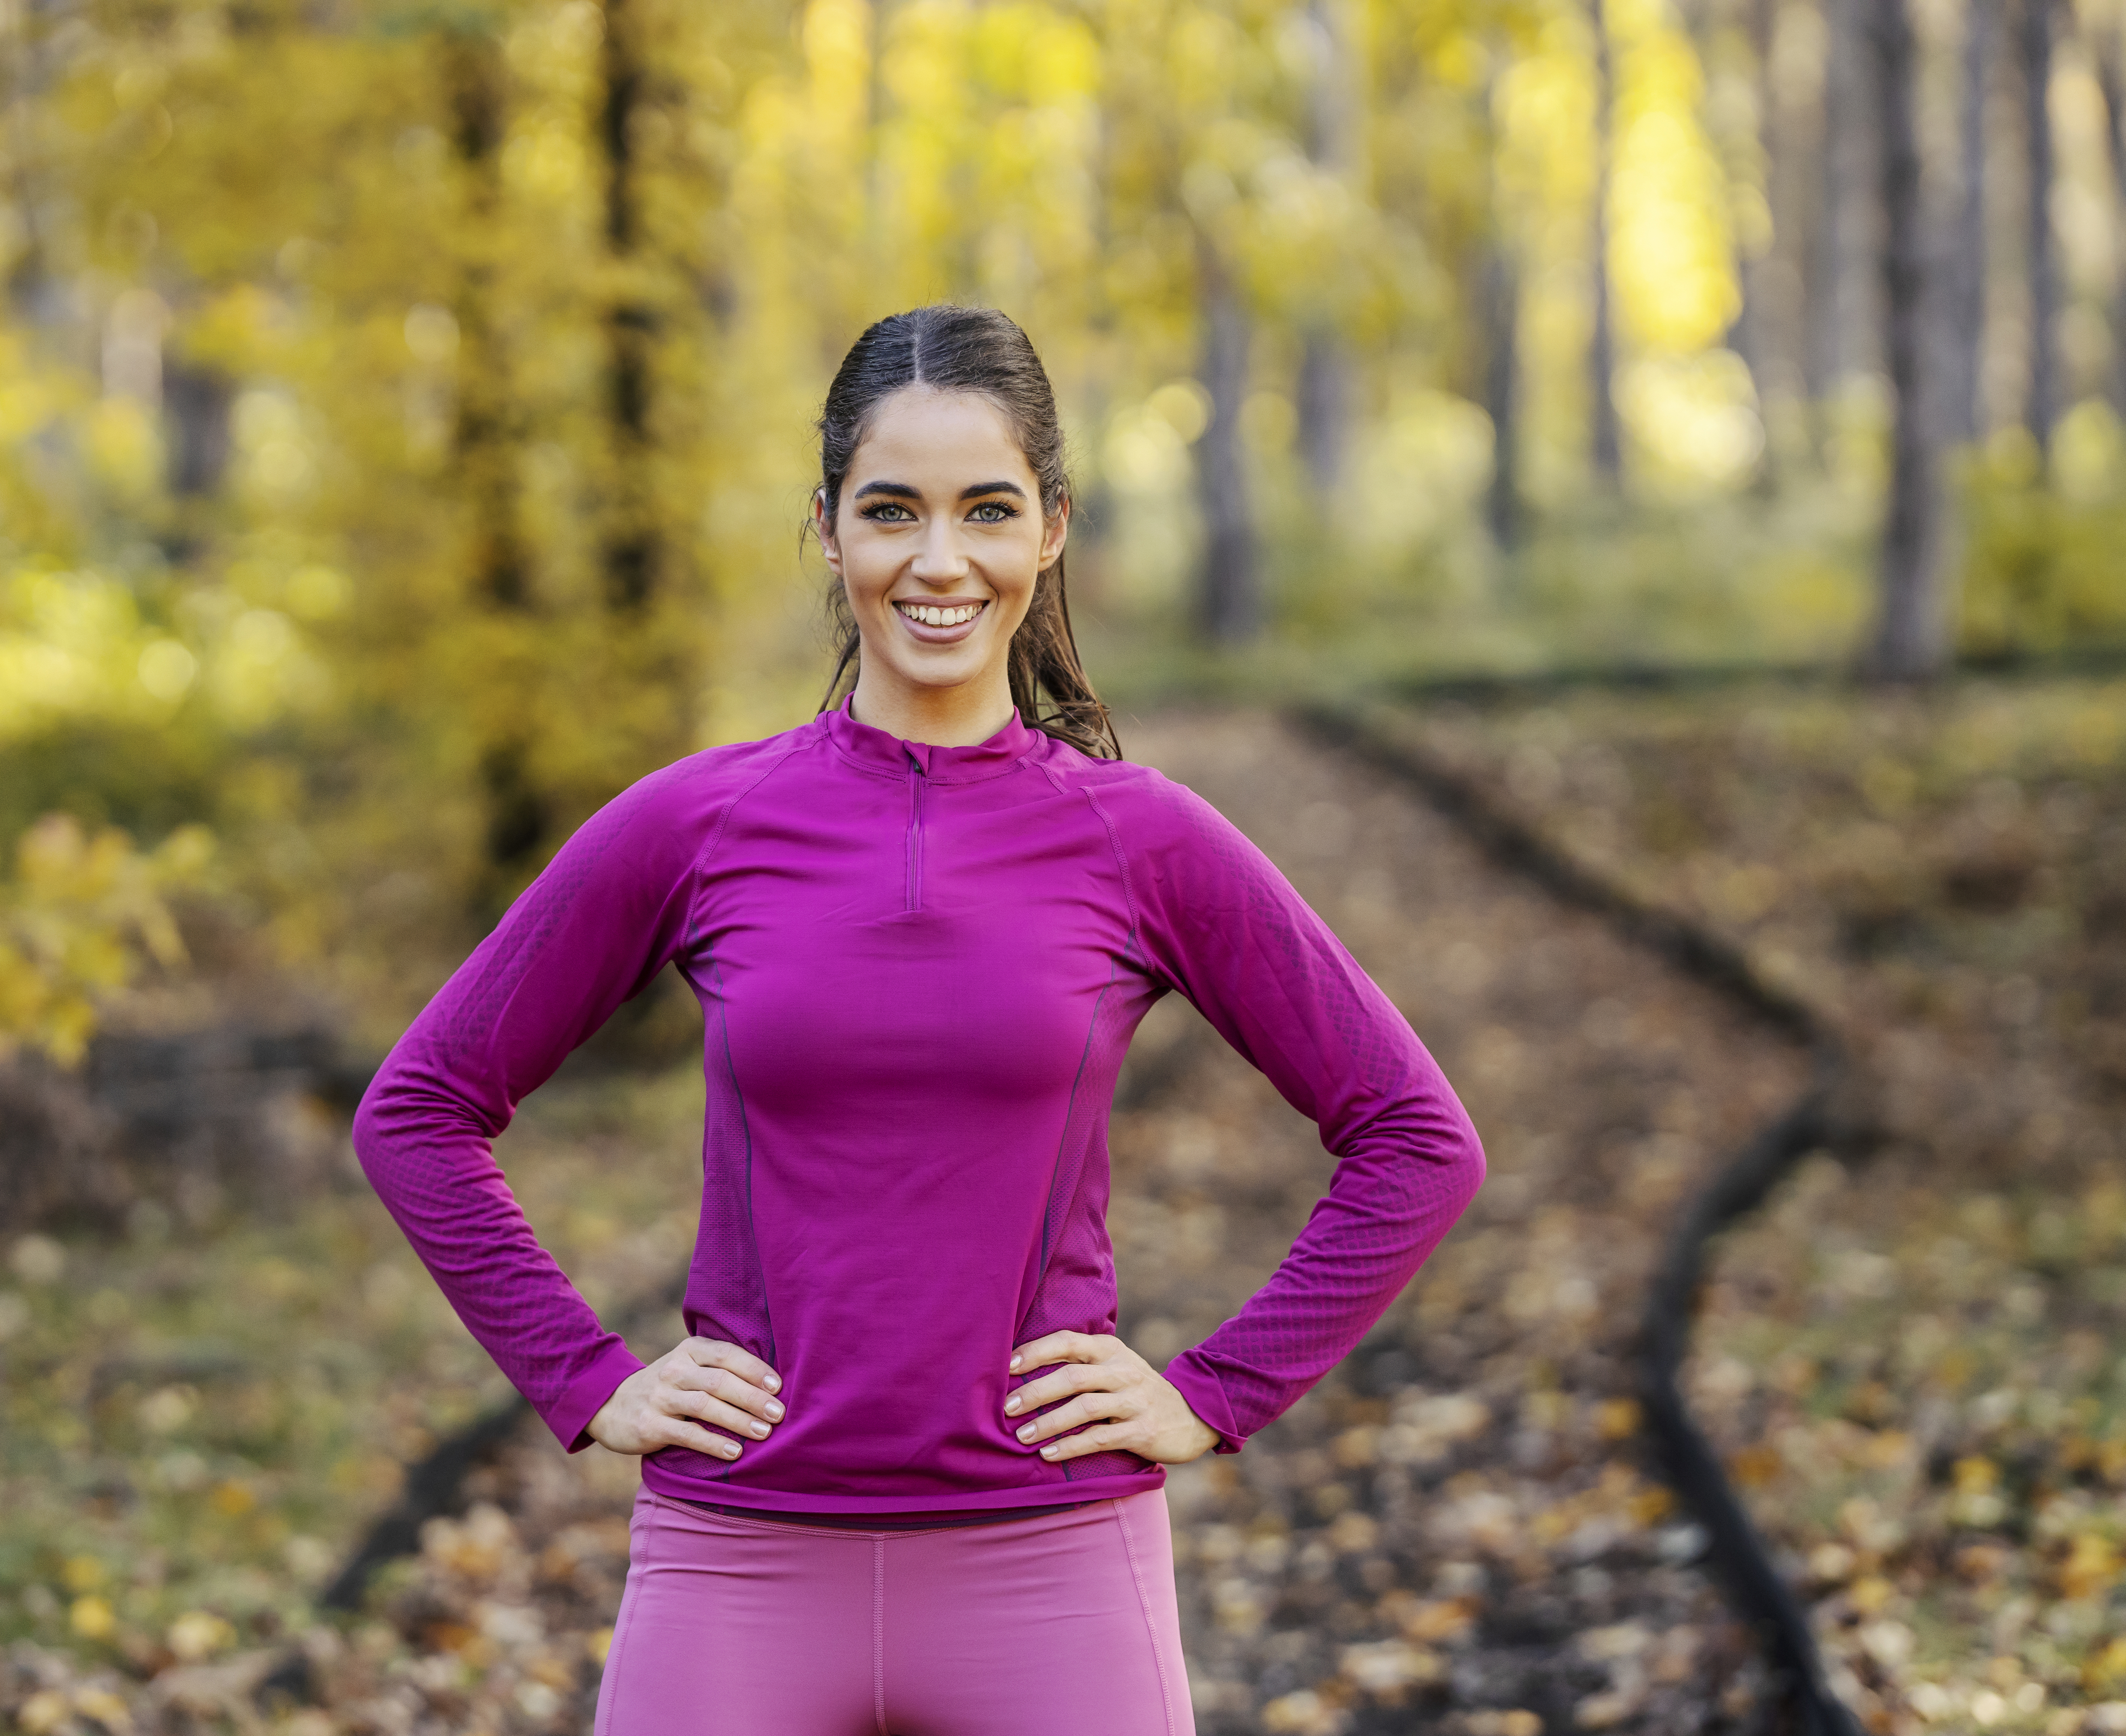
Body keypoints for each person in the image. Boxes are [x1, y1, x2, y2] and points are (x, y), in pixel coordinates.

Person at [354, 305, 1485, 1735]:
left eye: (987, 511)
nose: (939, 561)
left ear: (1053, 528)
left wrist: (1215, 1392)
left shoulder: (1143, 840)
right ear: (828, 529)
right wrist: (583, 1378)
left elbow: (1417, 1141)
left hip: (1054, 1566)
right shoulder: (700, 823)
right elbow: (419, 1111)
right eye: (892, 510)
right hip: (738, 1566)